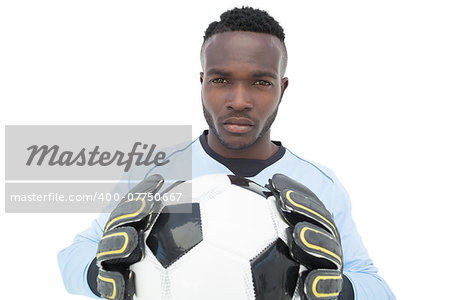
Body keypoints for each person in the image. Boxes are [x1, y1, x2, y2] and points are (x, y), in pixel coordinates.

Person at [58, 6, 395, 300]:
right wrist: (99, 274)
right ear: (202, 82)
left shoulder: (318, 184)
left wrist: (340, 290)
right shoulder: (155, 171)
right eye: (221, 81)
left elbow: (377, 287)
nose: (238, 100)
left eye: (261, 82)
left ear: (282, 88)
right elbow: (74, 254)